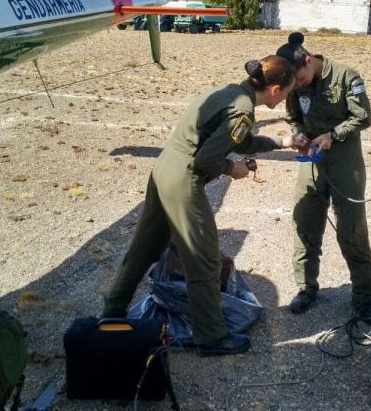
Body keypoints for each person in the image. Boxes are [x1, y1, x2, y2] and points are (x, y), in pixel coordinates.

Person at [102, 56, 300, 357]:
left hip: (164, 170)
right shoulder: (243, 110)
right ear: (274, 90)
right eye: (286, 92)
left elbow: (239, 141)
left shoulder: (229, 92)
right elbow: (207, 159)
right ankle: (211, 337)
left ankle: (112, 313)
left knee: (143, 249)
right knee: (204, 260)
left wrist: (282, 142)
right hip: (183, 180)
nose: (286, 98)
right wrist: (232, 169)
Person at [276, 32, 371, 321]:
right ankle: (306, 287)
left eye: (301, 78)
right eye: (292, 83)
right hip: (310, 159)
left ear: (309, 61)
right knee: (305, 223)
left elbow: (363, 117)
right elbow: (293, 114)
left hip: (345, 162)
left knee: (351, 229)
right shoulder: (294, 81)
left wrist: (333, 134)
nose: (298, 85)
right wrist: (297, 133)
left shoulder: (346, 76)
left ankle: (364, 295)